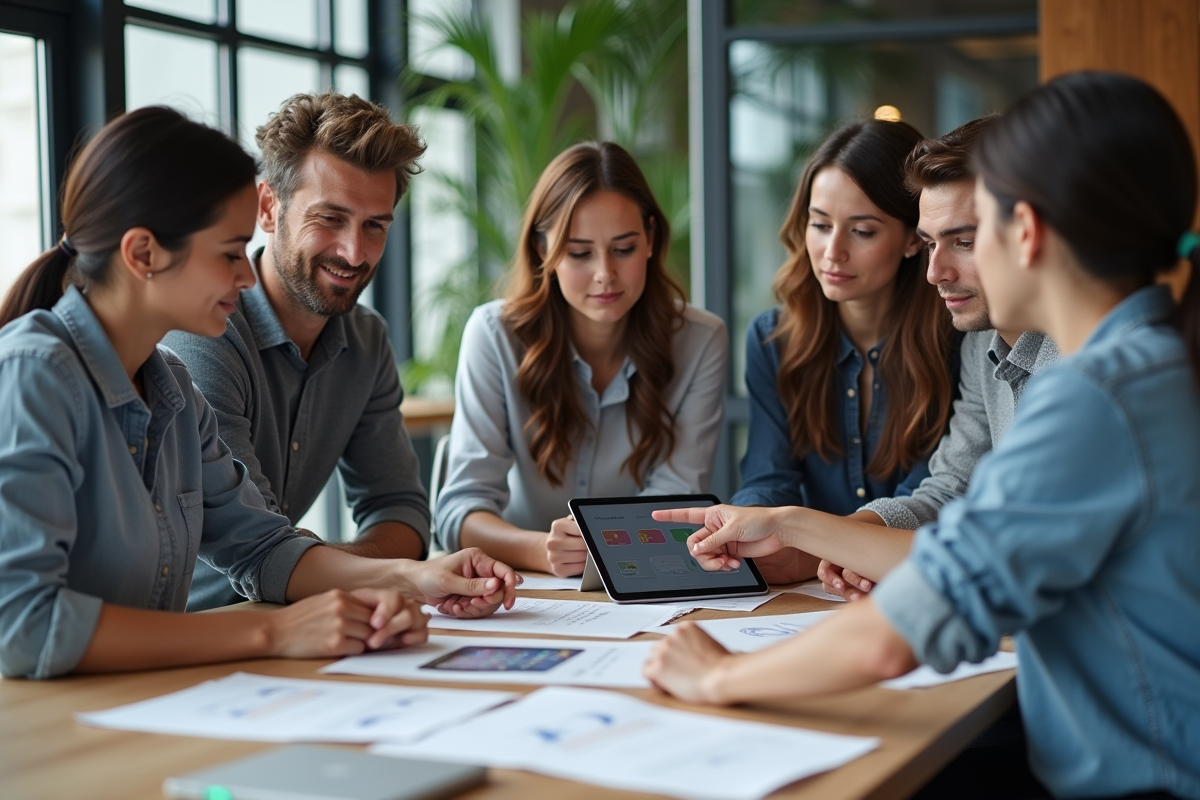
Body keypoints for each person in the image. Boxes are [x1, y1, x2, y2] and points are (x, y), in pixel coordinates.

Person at [645, 72, 1200, 800]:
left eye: (973, 233)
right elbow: (960, 538)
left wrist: (718, 676)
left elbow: (902, 630)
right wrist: (790, 523)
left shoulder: (1098, 396)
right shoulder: (1155, 361)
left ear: (1025, 232)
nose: (937, 268)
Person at [0, 107, 517, 681]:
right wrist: (275, 632)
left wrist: (417, 578)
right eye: (228, 254)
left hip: (148, 699)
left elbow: (262, 548)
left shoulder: (171, 388)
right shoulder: (33, 373)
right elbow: (25, 624)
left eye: (376, 225)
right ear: (142, 254)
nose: (245, 276)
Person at [746, 118, 1060, 598]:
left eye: (964, 241)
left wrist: (817, 536)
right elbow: (952, 487)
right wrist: (855, 538)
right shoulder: (983, 338)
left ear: (1029, 232)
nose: (936, 273)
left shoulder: (1085, 362)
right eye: (934, 242)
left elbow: (1022, 551)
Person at [164, 92, 434, 610]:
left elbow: (401, 512)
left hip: (289, 625)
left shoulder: (366, 339)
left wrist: (325, 569)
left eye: (374, 225)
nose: (354, 252)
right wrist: (352, 572)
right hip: (191, 636)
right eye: (330, 218)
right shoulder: (203, 331)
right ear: (268, 208)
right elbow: (258, 545)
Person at [434, 141, 728, 577]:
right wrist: (542, 551)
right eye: (578, 253)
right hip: (519, 585)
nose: (604, 274)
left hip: (642, 577)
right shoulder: (494, 335)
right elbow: (460, 512)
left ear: (650, 238)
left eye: (624, 249)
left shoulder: (702, 341)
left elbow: (676, 501)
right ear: (542, 250)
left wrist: (602, 552)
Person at [731, 119, 954, 583]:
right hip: (811, 584)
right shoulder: (773, 340)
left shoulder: (955, 339)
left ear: (914, 238)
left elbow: (935, 493)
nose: (832, 252)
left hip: (915, 577)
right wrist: (745, 530)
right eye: (819, 224)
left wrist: (822, 544)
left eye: (863, 231)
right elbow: (769, 479)